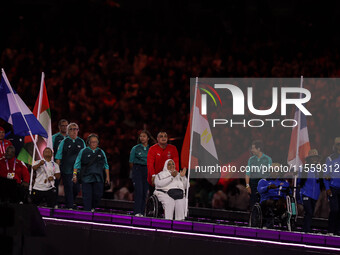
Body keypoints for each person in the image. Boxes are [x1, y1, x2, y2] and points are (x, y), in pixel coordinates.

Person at [73, 134, 110, 211]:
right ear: (89, 142)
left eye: (95, 142)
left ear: (98, 143)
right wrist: (74, 175)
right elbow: (77, 164)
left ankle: (93, 207)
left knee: (98, 195)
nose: (94, 143)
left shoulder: (101, 152)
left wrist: (107, 177)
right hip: (86, 178)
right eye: (92, 142)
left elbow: (106, 165)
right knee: (87, 196)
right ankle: (87, 211)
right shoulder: (83, 151)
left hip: (98, 178)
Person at [55, 123, 85, 209]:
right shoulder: (64, 142)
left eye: (76, 129)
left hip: (77, 171)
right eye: (71, 129)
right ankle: (70, 206)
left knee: (76, 189)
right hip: (66, 170)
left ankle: (70, 202)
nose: (74, 131)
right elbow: (58, 157)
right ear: (68, 131)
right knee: (68, 187)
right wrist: (57, 170)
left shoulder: (81, 142)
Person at [129, 130, 154, 216]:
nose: (142, 138)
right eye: (141, 136)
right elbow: (131, 162)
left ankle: (142, 212)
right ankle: (137, 212)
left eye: (144, 136)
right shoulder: (135, 148)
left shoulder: (151, 149)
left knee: (144, 192)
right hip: (137, 169)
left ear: (148, 138)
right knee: (138, 191)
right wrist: (135, 172)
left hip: (147, 170)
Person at [257, 163, 290, 228]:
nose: (274, 172)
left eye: (276, 170)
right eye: (273, 170)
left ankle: (285, 221)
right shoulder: (263, 181)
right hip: (266, 200)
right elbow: (259, 190)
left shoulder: (284, 182)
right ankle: (268, 223)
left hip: (280, 201)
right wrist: (268, 187)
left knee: (286, 203)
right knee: (271, 202)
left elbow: (289, 192)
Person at [298, 149, 322, 233]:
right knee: (309, 211)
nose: (314, 159)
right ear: (309, 159)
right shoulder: (303, 169)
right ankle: (306, 230)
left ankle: (306, 228)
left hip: (315, 195)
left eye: (316, 157)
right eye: (312, 157)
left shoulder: (320, 169)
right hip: (306, 193)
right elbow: (299, 182)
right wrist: (300, 195)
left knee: (310, 213)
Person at [245, 140, 272, 209]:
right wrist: (247, 186)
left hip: (263, 184)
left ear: (259, 149)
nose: (251, 150)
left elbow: (270, 173)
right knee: (253, 204)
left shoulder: (268, 159)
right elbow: (248, 173)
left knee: (263, 205)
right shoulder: (251, 160)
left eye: (253, 148)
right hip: (253, 185)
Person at [325, 137, 340, 235]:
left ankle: (338, 231)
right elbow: (326, 175)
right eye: (337, 144)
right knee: (334, 210)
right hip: (333, 189)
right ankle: (330, 231)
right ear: (334, 146)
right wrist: (327, 188)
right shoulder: (330, 158)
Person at [52, 119, 68, 208]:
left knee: (68, 185)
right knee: (55, 184)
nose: (64, 127)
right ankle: (55, 203)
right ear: (59, 127)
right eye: (63, 125)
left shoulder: (71, 138)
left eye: (66, 125)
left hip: (68, 166)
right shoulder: (54, 137)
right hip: (56, 165)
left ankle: (68, 203)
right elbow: (50, 150)